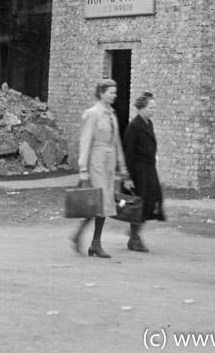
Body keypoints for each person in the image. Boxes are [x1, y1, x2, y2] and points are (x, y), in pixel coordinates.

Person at [71, 79, 132, 258]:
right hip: (96, 163)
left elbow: (117, 143)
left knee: (104, 204)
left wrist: (123, 166)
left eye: (115, 92)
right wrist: (83, 169)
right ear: (101, 92)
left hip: (109, 164)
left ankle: (91, 242)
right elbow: (85, 142)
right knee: (99, 202)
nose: (114, 95)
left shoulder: (112, 114)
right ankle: (85, 238)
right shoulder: (93, 113)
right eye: (111, 92)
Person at [122, 91, 166, 252]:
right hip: (138, 171)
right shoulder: (134, 126)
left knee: (154, 200)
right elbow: (128, 152)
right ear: (142, 107)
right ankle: (134, 238)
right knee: (139, 205)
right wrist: (127, 177)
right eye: (150, 107)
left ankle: (134, 233)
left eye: (154, 107)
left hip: (149, 169)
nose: (153, 110)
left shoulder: (149, 123)